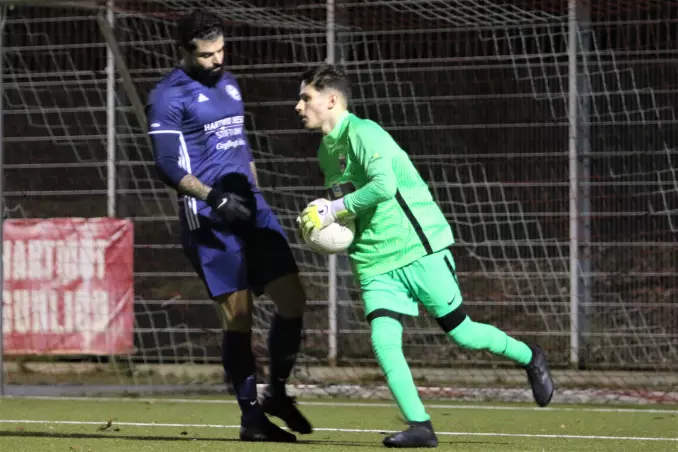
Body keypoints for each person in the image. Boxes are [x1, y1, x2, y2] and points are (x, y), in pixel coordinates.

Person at [296, 64, 554, 448]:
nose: (298, 106)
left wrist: (333, 210)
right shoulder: (325, 152)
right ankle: (421, 425)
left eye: (306, 98)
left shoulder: (365, 133)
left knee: (463, 333)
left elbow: (385, 186)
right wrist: (326, 230)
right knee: (384, 341)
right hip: (374, 261)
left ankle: (530, 355)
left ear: (331, 100)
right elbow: (351, 208)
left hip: (418, 248)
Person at [146, 9, 312, 443]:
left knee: (293, 298)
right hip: (208, 217)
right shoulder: (167, 96)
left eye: (221, 50)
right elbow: (165, 164)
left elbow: (240, 144)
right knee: (239, 316)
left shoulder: (229, 82)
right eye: (207, 54)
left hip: (251, 209)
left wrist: (254, 195)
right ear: (184, 51)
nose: (217, 59)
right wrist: (213, 197)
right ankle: (251, 418)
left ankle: (277, 393)